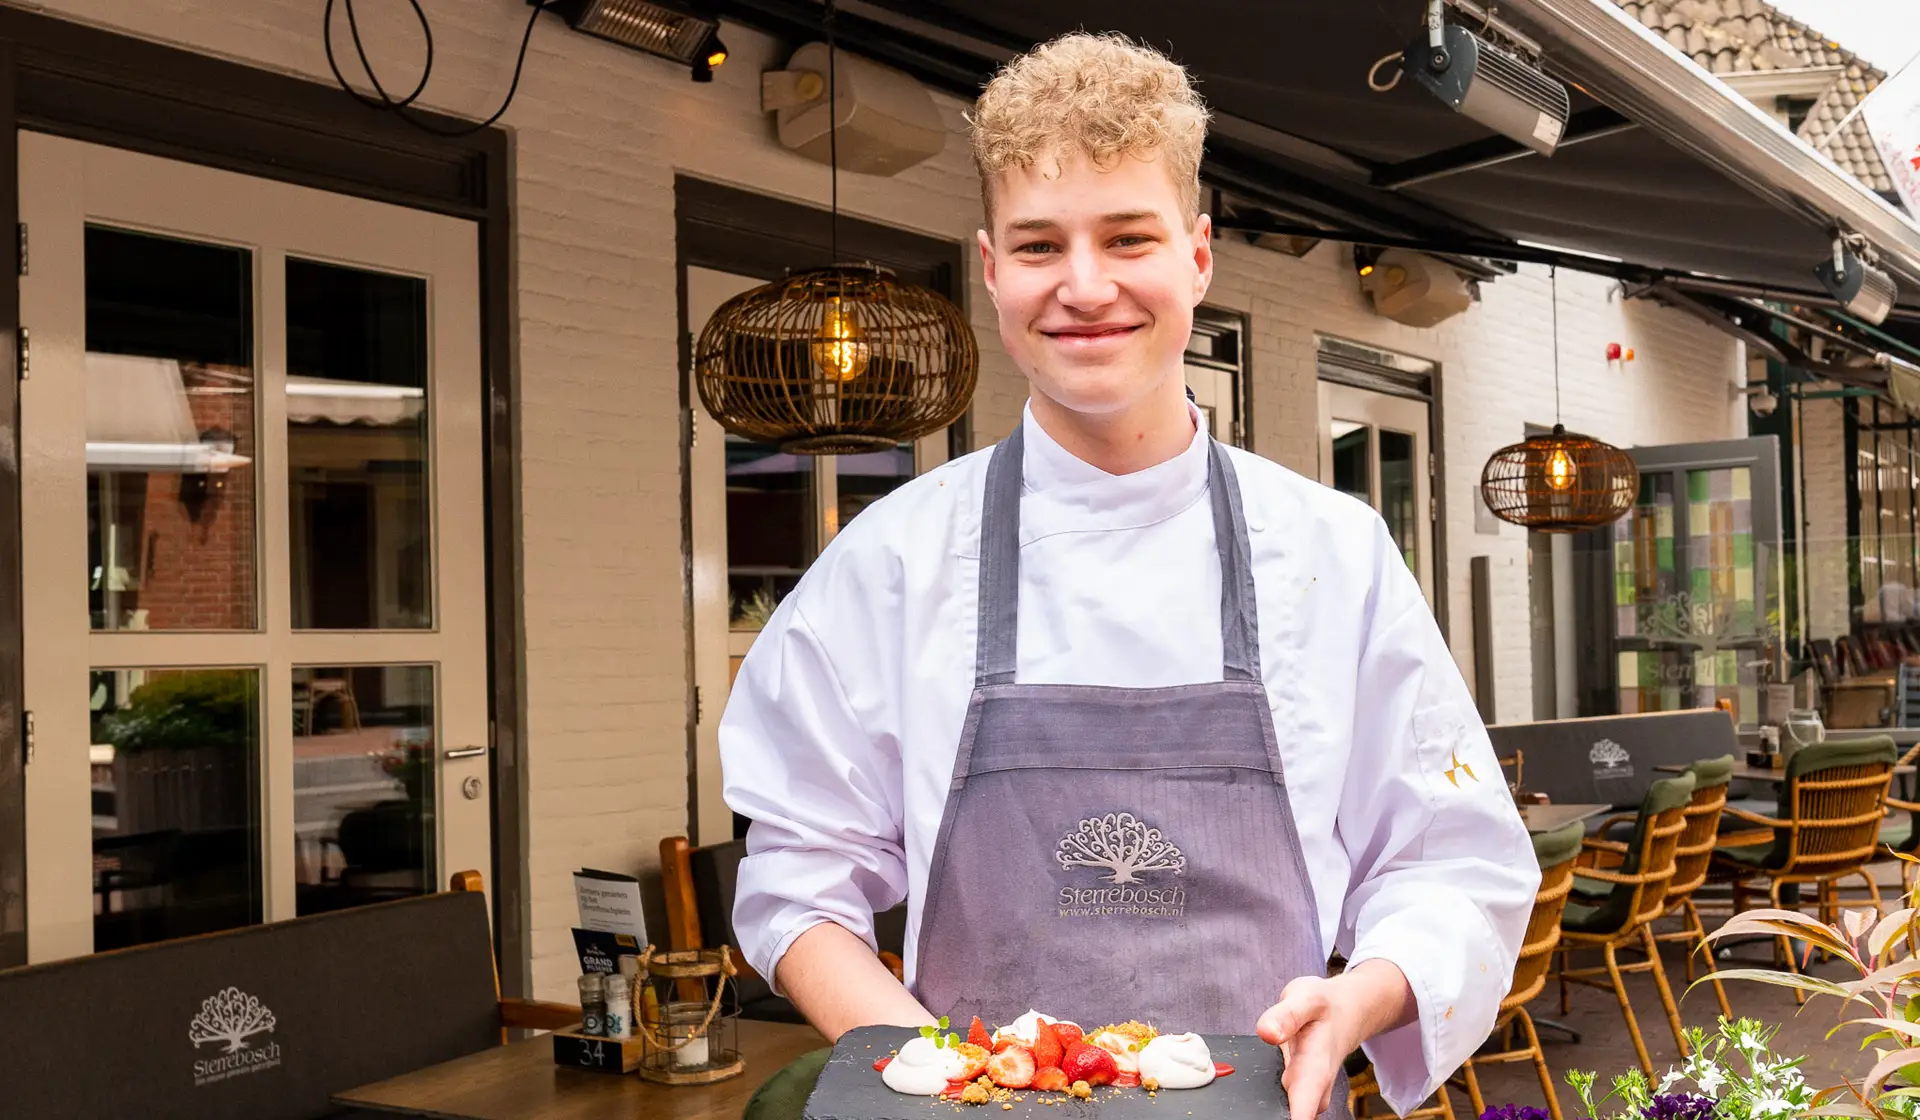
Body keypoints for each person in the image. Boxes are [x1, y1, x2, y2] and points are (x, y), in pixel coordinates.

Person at [722, 32, 1538, 1120]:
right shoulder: (892, 562)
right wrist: (935, 1072)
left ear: (1199, 256)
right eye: (1040, 245)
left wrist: (1353, 1004)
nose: (1086, 284)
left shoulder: (1332, 554)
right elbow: (796, 878)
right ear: (991, 269)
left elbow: (1456, 867)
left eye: (1128, 236)